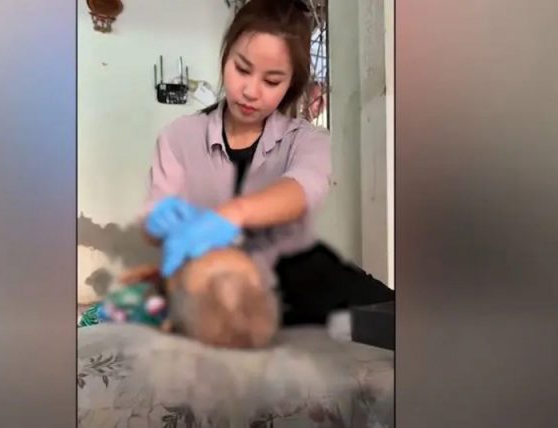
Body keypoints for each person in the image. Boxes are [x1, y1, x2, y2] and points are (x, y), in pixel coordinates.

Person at [142, 0, 393, 326]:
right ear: (226, 57)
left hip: (295, 281)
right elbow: (156, 224)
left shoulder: (307, 140)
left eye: (272, 81)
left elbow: (302, 190)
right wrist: (165, 225)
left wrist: (232, 215)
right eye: (242, 69)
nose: (250, 91)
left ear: (291, 85)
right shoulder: (179, 137)